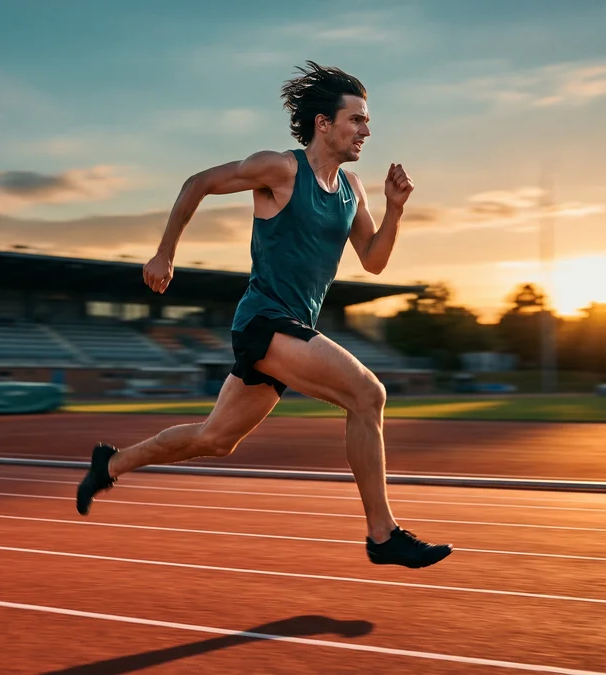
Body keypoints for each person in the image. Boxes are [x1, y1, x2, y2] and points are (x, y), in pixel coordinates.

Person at [75, 61, 452, 569]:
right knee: (368, 395)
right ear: (324, 123)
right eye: (357, 119)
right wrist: (165, 253)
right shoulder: (280, 169)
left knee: (215, 439)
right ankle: (382, 535)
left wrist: (396, 210)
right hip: (265, 320)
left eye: (366, 121)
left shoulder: (353, 188)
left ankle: (110, 464)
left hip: (293, 328)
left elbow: (374, 260)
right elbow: (198, 182)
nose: (366, 130)